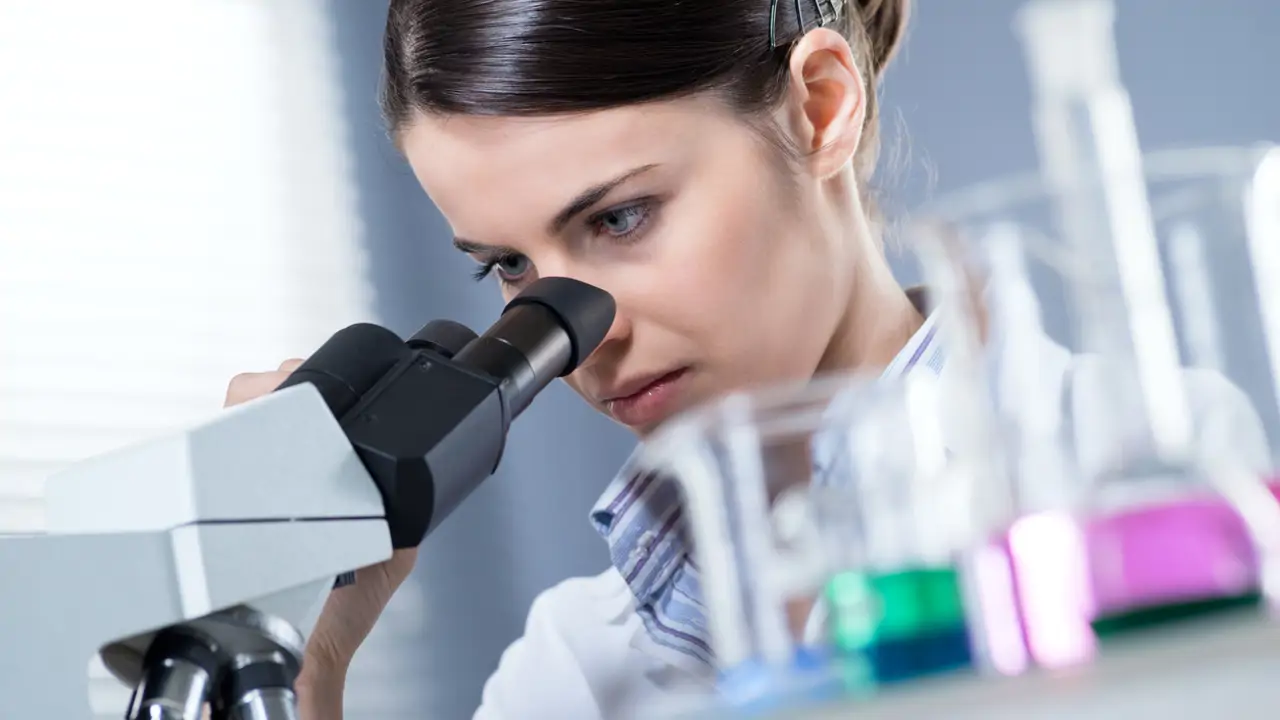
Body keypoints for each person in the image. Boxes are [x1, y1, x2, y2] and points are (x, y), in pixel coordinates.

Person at [222, 0, 1270, 717]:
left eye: (621, 217)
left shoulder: (1172, 474)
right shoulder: (576, 667)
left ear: (819, 104)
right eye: (505, 267)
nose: (579, 335)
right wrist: (300, 658)